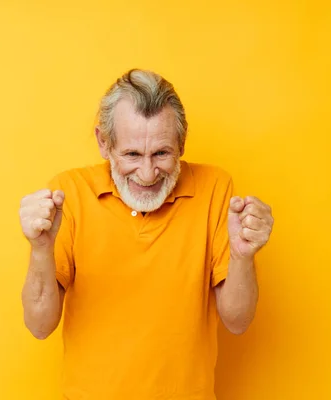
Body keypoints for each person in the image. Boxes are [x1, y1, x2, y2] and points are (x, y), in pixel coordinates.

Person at [19, 69, 274, 399]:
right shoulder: (69, 192)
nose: (147, 173)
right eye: (131, 154)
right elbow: (39, 327)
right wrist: (40, 249)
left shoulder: (215, 188)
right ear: (103, 142)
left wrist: (242, 255)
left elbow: (238, 322)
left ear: (182, 143)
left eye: (162, 153)